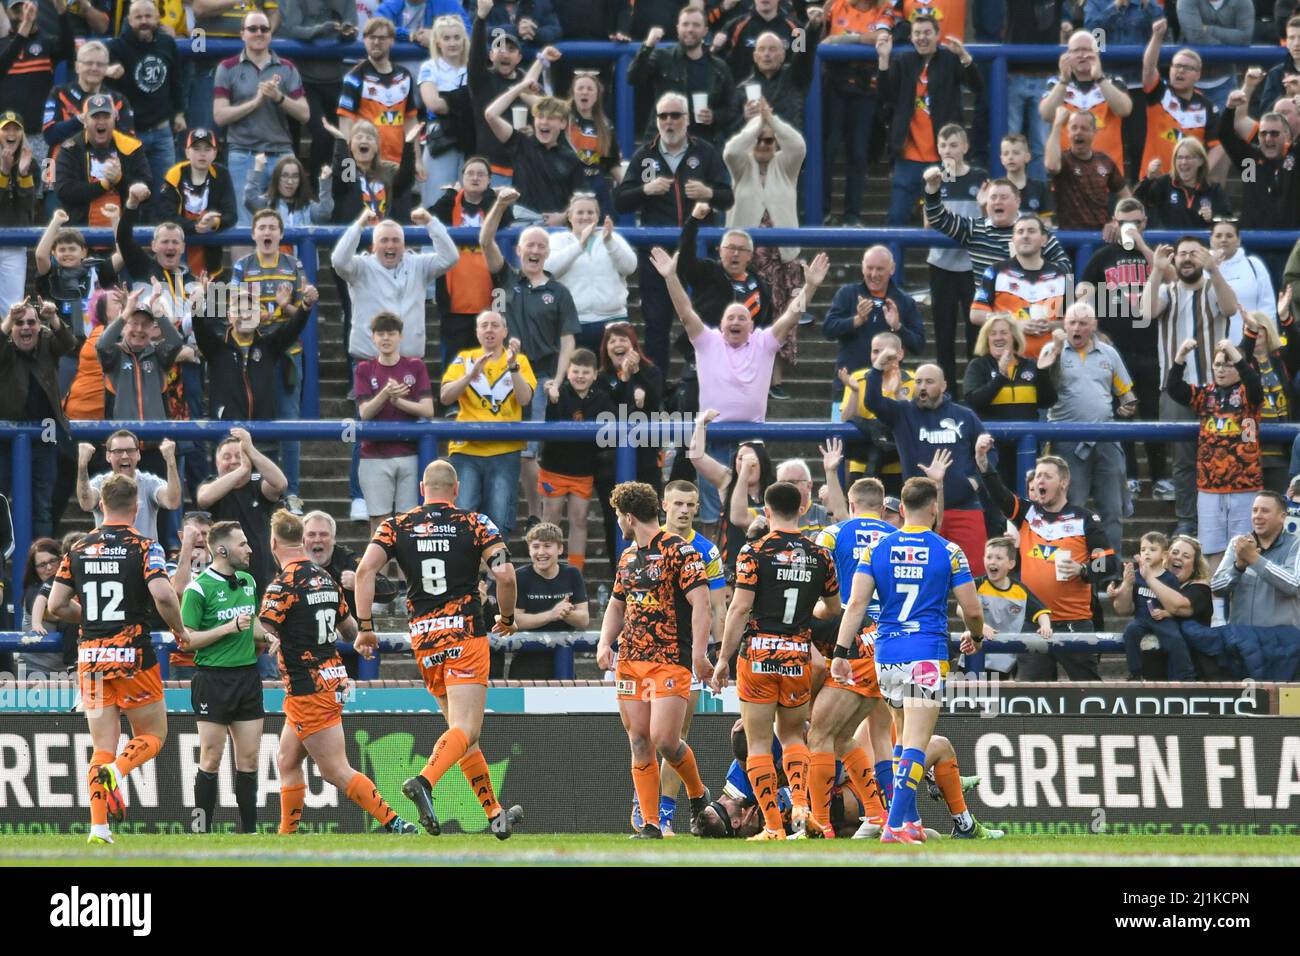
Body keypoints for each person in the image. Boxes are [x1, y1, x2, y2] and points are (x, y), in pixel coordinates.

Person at [354, 459, 524, 838]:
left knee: (462, 735)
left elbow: (365, 571)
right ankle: (424, 782)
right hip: (464, 634)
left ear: (421, 488)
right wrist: (508, 618)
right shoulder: (475, 523)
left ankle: (494, 814)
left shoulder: (395, 526)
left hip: (425, 638)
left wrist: (366, 628)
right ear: (457, 489)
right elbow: (505, 573)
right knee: (465, 727)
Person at [830, 476, 984, 843]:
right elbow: (973, 610)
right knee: (916, 740)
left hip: (885, 656)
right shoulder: (948, 551)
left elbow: (856, 604)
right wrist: (975, 635)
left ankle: (909, 821)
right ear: (934, 509)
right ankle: (896, 824)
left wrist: (840, 651)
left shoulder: (877, 550)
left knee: (902, 739)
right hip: (925, 655)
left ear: (900, 509)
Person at [47, 472, 188, 846]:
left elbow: (56, 605)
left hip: (90, 660)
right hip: (132, 657)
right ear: (138, 505)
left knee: (102, 745)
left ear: (101, 505)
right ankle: (118, 771)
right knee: (154, 734)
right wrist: (179, 629)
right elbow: (162, 594)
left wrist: (91, 618)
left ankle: (98, 828)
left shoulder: (77, 548)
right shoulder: (145, 546)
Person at [260, 509, 418, 836]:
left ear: (273, 542)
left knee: (335, 770)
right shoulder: (325, 579)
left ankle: (395, 822)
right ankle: (286, 837)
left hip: (309, 687)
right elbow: (349, 632)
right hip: (329, 679)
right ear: (301, 540)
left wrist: (254, 632)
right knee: (287, 761)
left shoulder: (282, 585)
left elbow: (262, 634)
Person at [710, 481, 839, 840]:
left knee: (759, 744)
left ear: (766, 512)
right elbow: (832, 608)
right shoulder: (820, 555)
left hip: (759, 656)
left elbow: (738, 608)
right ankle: (801, 804)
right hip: (797, 655)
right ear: (802, 508)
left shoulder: (754, 551)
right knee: (795, 735)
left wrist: (722, 659)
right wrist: (807, 611)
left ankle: (773, 827)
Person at [597, 480, 714, 839]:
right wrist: (605, 642)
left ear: (628, 517)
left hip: (669, 657)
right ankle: (650, 823)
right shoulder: (628, 557)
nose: (618, 522)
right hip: (631, 659)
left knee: (664, 738)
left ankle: (697, 793)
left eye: (618, 516)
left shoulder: (680, 551)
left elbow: (702, 603)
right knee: (638, 741)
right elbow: (618, 604)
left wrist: (698, 653)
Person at [975, 437, 1120, 680]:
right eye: (1038, 475)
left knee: (1088, 693)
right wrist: (982, 461)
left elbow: (1108, 563)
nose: (1039, 480)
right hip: (1032, 621)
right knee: (1032, 696)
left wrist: (1083, 569)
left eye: (1047, 476)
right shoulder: (1027, 513)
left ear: (1064, 483)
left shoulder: (1085, 518)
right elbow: (998, 493)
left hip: (1074, 622)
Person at [613, 90, 734, 374]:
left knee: (707, 321)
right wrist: (645, 189)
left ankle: (706, 382)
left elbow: (727, 197)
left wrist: (709, 193)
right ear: (657, 121)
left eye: (675, 116)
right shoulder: (646, 156)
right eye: (663, 116)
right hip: (658, 253)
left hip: (699, 252)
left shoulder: (705, 152)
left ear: (687, 120)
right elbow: (621, 200)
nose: (669, 122)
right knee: (656, 324)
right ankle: (658, 390)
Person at [480, 188, 579, 521]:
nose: (535, 250)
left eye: (541, 246)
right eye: (530, 245)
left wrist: (558, 381)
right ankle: (502, 512)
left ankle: (535, 514)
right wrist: (500, 204)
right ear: (519, 250)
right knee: (502, 448)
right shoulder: (507, 278)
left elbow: (568, 342)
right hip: (500, 374)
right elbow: (485, 240)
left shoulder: (560, 292)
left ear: (548, 252)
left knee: (527, 451)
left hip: (540, 375)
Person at [808, 476, 895, 838]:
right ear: (885, 506)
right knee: (844, 737)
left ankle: (819, 824)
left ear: (851, 503)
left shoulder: (831, 534)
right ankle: (877, 814)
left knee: (819, 735)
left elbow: (815, 583)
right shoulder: (898, 538)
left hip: (853, 642)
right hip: (889, 644)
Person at [864, 339, 993, 576]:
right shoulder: (902, 413)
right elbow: (872, 401)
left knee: (976, 578)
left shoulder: (964, 415)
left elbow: (987, 451)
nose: (922, 387)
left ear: (943, 386)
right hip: (920, 510)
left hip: (964, 508)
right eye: (919, 381)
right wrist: (878, 367)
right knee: (921, 576)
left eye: (929, 382)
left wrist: (975, 480)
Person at [1143, 236, 1242, 536]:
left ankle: (1222, 519)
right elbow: (1145, 313)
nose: (1187, 259)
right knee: (1184, 459)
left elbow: (1230, 308)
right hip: (1176, 387)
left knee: (1222, 453)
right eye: (1182, 254)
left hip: (1216, 386)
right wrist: (1157, 270)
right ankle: (1187, 518)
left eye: (1194, 254)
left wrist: (1215, 270)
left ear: (1204, 258)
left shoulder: (1214, 287)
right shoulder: (1166, 290)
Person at [180, 521, 265, 833]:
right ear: (222, 549)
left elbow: (251, 622)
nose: (249, 549)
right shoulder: (198, 588)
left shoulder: (247, 581)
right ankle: (200, 828)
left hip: (246, 678)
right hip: (212, 679)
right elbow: (187, 638)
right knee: (211, 756)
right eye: (242, 544)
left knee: (250, 759)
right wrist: (230, 628)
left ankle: (249, 831)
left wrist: (269, 639)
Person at [1077, 198, 1163, 500]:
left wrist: (1140, 244)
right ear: (1113, 222)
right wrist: (1097, 331)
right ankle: (1131, 477)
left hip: (1153, 348)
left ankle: (1161, 477)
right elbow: (1082, 295)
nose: (1130, 228)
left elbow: (1168, 274)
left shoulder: (1155, 253)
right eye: (1124, 223)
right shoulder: (1102, 257)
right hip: (1116, 351)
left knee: (1153, 414)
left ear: (1145, 222)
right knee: (1123, 413)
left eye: (1136, 223)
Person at [723, 100, 806, 397]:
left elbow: (797, 145)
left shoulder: (786, 164)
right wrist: (757, 124)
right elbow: (732, 149)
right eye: (759, 140)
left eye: (769, 140)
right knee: (744, 315)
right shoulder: (741, 165)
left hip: (781, 257)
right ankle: (741, 377)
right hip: (745, 258)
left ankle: (776, 381)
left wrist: (773, 120)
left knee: (780, 317)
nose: (763, 144)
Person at [1167, 331, 1263, 577]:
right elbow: (1174, 389)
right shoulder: (1205, 394)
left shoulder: (1247, 394)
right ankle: (1217, 614)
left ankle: (1240, 607)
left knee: (1243, 549)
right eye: (1217, 364)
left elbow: (1254, 384)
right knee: (1211, 551)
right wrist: (1180, 357)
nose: (1221, 369)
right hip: (1209, 487)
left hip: (1244, 486)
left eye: (1228, 364)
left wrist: (1234, 352)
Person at [1049, 303, 1139, 553]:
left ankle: (1109, 570)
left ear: (1094, 326)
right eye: (1072, 323)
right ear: (1064, 325)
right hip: (1067, 440)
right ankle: (1069, 566)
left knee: (1111, 509)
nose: (1076, 328)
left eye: (1083, 323)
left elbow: (1126, 394)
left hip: (1106, 437)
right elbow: (1042, 390)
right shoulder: (1053, 350)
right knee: (1070, 508)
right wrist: (1054, 352)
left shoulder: (1109, 354)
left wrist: (1128, 407)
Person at [440, 310, 535, 538]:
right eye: (484, 325)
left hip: (505, 450)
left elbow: (525, 399)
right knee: (461, 518)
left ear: (504, 331)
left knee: (499, 520)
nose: (489, 329)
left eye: (495, 325)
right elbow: (445, 397)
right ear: (477, 332)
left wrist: (512, 367)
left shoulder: (519, 360)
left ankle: (494, 573)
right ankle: (466, 572)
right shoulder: (464, 359)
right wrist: (469, 376)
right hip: (466, 450)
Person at [877, 13, 980, 225]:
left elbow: (977, 86)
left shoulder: (950, 60)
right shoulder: (904, 61)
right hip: (908, 157)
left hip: (948, 160)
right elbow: (885, 95)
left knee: (950, 216)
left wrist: (964, 56)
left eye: (927, 33)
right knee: (896, 217)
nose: (922, 38)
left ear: (937, 35)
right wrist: (884, 59)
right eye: (917, 33)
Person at [213, 11, 309, 228]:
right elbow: (219, 116)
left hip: (282, 154)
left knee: (288, 223)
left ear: (270, 34)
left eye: (264, 29)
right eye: (253, 29)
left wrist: (279, 97)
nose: (259, 33)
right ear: (242, 34)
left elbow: (304, 114)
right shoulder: (226, 67)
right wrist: (256, 102)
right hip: (242, 154)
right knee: (243, 225)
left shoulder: (287, 67)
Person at [332, 206, 459, 361]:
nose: (390, 245)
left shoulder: (418, 265)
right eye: (384, 240)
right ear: (373, 246)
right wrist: (359, 225)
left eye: (396, 240)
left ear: (404, 246)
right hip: (369, 362)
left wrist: (430, 222)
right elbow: (338, 260)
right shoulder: (361, 267)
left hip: (410, 364)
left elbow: (451, 257)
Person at [0, 298, 74, 538]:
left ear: (38, 327)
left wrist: (52, 317)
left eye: (31, 322)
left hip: (45, 434)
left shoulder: (46, 345)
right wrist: (8, 318)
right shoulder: (6, 348)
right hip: (4, 437)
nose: (25, 328)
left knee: (42, 505)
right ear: (11, 328)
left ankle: (41, 563)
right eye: (19, 323)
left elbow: (68, 342)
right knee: (1, 501)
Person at [483, 49, 585, 225]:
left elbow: (582, 198)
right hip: (520, 225)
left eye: (551, 118)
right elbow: (491, 114)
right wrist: (520, 87)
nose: (544, 122)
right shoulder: (521, 143)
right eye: (540, 117)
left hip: (556, 230)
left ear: (562, 124)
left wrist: (562, 218)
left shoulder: (571, 158)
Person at [818, 0, 897, 226]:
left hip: (865, 88)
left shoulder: (885, 9)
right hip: (833, 86)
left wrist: (842, 39)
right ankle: (823, 211)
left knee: (858, 153)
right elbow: (808, 41)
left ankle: (852, 215)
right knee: (828, 149)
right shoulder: (836, 5)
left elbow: (881, 39)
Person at [355, 310, 433, 535]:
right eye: (381, 334)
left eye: (391, 333)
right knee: (379, 524)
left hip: (408, 452)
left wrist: (398, 401)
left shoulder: (415, 366)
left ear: (400, 336)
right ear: (373, 338)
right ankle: (377, 572)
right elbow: (365, 413)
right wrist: (385, 393)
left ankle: (404, 572)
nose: (386, 338)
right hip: (374, 455)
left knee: (408, 523)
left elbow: (428, 410)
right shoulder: (364, 369)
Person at [961, 314, 1060, 488]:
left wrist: (1043, 372)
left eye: (1003, 333)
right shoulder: (979, 366)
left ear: (1013, 336)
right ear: (986, 338)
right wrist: (1000, 377)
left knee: (1026, 500)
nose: (998, 337)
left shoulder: (1030, 365)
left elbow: (1047, 401)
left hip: (1026, 448)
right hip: (992, 449)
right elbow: (973, 400)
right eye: (993, 333)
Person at [921, 123, 986, 389]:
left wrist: (983, 206)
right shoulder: (936, 178)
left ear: (966, 147)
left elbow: (990, 220)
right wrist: (932, 190)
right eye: (943, 145)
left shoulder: (980, 177)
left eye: (954, 145)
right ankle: (946, 392)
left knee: (976, 333)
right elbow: (928, 223)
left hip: (973, 265)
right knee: (944, 332)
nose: (948, 150)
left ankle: (974, 389)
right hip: (942, 264)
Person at [431, 155, 506, 372]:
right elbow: (433, 217)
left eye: (481, 174)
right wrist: (451, 194)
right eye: (470, 173)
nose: (475, 178)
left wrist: (496, 199)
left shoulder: (496, 204)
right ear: (461, 177)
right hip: (454, 302)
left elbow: (506, 219)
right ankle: (451, 406)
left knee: (489, 363)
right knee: (453, 364)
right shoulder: (449, 204)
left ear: (490, 180)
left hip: (490, 301)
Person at [538, 347, 611, 572]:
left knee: (579, 520)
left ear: (594, 374)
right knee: (551, 518)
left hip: (583, 470)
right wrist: (551, 399)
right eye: (576, 371)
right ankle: (544, 565)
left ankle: (575, 571)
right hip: (554, 467)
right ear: (568, 372)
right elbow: (548, 424)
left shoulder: (601, 398)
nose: (580, 376)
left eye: (585, 372)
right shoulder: (558, 393)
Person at [628, 5, 736, 148]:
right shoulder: (662, 57)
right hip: (662, 141)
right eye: (685, 24)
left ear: (705, 31)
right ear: (678, 28)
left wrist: (714, 117)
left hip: (702, 144)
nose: (690, 29)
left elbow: (732, 109)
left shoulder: (719, 67)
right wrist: (648, 46)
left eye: (696, 25)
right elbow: (633, 78)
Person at [970, 212, 1073, 360]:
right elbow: (976, 314)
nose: (1025, 236)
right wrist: (1014, 324)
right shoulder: (994, 272)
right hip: (1006, 361)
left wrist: (1050, 326)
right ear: (1013, 239)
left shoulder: (1063, 276)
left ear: (1044, 239)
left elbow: (1071, 321)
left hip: (1050, 361)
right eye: (1020, 232)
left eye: (1031, 231)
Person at [824, 245, 924, 397]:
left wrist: (898, 327)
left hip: (887, 392)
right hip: (848, 388)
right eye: (869, 268)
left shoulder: (905, 302)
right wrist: (855, 321)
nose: (873, 274)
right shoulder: (847, 294)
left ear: (892, 269)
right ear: (862, 267)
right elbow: (827, 330)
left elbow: (919, 345)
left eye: (880, 269)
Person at [196, 429, 289, 592]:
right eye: (226, 457)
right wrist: (242, 469)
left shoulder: (258, 483)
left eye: (239, 456)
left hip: (262, 574)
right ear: (217, 463)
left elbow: (280, 484)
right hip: (225, 576)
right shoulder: (212, 484)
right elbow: (203, 499)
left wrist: (250, 449)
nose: (233, 461)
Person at [543, 194, 636, 352]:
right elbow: (548, 271)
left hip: (614, 321)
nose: (585, 217)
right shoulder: (558, 240)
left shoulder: (613, 238)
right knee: (578, 375)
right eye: (580, 213)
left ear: (597, 216)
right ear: (570, 216)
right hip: (573, 325)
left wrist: (610, 242)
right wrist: (579, 246)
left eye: (590, 212)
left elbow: (629, 267)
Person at [276, 0, 357, 181]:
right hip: (303, 79)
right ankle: (310, 189)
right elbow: (292, 30)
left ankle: (341, 187)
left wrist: (346, 33)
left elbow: (353, 28)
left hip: (336, 77)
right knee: (321, 134)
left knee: (343, 137)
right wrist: (321, 29)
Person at [1038, 28, 1133, 173]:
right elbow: (1046, 114)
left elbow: (1124, 110)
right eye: (1076, 51)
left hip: (1107, 177)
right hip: (1068, 177)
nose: (1082, 55)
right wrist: (1063, 81)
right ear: (1068, 55)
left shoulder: (1113, 81)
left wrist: (1100, 78)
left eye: (1087, 50)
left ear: (1097, 53)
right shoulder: (1056, 83)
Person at [1139, 19, 1227, 175]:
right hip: (1154, 181)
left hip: (1188, 186)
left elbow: (1218, 146)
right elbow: (1148, 69)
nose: (1180, 71)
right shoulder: (1159, 92)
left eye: (1187, 68)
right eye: (1176, 66)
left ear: (1198, 75)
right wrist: (1157, 37)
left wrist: (1202, 172)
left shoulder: (1207, 107)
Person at [54, 93, 150, 226]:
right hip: (81, 235)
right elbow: (63, 191)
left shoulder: (131, 147)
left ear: (115, 118)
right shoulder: (71, 149)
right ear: (85, 121)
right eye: (95, 116)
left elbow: (146, 188)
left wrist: (119, 180)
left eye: (106, 116)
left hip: (123, 234)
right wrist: (103, 185)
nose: (101, 122)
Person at [1209, 491, 1300, 630]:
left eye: (1265, 511)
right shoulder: (1238, 543)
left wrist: (1254, 559)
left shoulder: (1296, 544)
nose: (1258, 516)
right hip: (1241, 638)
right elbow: (1216, 588)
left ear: (1282, 517)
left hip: (1280, 643)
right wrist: (1238, 567)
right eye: (1254, 510)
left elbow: (1294, 585)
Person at [337, 16, 420, 168]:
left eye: (382, 38)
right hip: (367, 162)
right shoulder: (354, 77)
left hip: (399, 162)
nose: (376, 42)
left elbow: (411, 121)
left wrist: (417, 161)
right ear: (364, 40)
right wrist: (348, 165)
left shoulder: (404, 76)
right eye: (371, 37)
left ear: (392, 41)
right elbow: (345, 124)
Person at [508, 520, 588, 676]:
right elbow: (515, 620)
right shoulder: (520, 576)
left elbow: (584, 619)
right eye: (535, 547)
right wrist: (552, 615)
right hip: (525, 664)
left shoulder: (572, 574)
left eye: (547, 546)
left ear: (560, 549)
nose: (541, 552)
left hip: (563, 661)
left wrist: (566, 614)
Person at [838, 331, 916, 490]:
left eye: (885, 352)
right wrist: (854, 391)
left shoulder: (914, 380)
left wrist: (897, 394)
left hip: (899, 466)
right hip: (862, 466)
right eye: (875, 351)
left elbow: (913, 419)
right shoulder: (858, 377)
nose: (879, 357)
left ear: (900, 354)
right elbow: (846, 420)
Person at [158, 129, 237, 280]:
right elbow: (164, 215)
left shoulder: (222, 174)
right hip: (177, 263)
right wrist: (195, 226)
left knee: (216, 304)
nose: (202, 154)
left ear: (214, 153)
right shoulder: (175, 174)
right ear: (187, 152)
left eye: (207, 149)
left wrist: (214, 223)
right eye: (196, 149)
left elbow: (231, 215)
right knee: (179, 303)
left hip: (213, 267)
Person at [971, 535, 1053, 678]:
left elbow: (1041, 612)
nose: (992, 562)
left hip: (1003, 662)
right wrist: (980, 626)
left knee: (994, 699)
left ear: (1011, 564)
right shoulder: (977, 584)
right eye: (989, 557)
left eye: (998, 558)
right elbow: (962, 609)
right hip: (974, 656)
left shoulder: (1020, 590)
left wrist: (1045, 626)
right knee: (968, 698)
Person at [77, 431, 180, 542]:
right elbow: (86, 504)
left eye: (130, 450)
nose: (125, 456)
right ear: (108, 456)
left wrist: (170, 461)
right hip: (109, 555)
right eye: (118, 451)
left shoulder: (150, 482)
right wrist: (82, 465)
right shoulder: (100, 483)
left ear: (138, 454)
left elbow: (173, 502)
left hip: (143, 556)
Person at [467, 0, 527, 179]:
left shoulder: (527, 83)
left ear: (519, 57)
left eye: (511, 49)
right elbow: (475, 54)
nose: (505, 53)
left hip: (523, 170)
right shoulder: (482, 80)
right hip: (491, 171)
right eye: (499, 48)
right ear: (491, 55)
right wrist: (481, 18)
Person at [1044, 108, 1131, 230]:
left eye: (1084, 128)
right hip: (1070, 237)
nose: (1078, 132)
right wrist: (1057, 124)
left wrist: (1118, 222)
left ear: (1094, 132)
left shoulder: (1105, 161)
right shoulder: (1064, 160)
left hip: (1100, 236)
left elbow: (1126, 197)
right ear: (1068, 133)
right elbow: (1051, 165)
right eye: (1074, 128)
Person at [418, 13, 472, 206]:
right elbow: (434, 104)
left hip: (470, 138)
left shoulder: (473, 67)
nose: (452, 43)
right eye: (446, 38)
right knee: (437, 200)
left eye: (457, 37)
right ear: (438, 42)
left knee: (469, 201)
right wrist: (467, 99)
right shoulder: (429, 67)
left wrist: (452, 100)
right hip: (442, 139)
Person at [729, 20, 820, 130]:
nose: (767, 54)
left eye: (772, 49)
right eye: (762, 50)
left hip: (788, 144)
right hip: (756, 144)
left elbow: (804, 55)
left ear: (782, 56)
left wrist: (812, 29)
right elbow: (730, 132)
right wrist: (745, 119)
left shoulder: (795, 77)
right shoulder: (742, 90)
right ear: (755, 57)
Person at [1134, 136, 1232, 230]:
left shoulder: (1214, 189)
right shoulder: (1164, 183)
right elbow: (1137, 202)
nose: (1184, 162)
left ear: (1201, 161)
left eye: (1189, 157)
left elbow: (1228, 221)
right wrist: (1148, 178)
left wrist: (1213, 217)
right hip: (1169, 244)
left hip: (1201, 245)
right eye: (1180, 158)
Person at [330, 119, 418, 223]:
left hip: (382, 233)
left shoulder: (388, 170)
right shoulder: (348, 172)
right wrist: (340, 140)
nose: (364, 141)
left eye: (369, 138)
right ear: (350, 147)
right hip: (355, 233)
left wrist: (409, 144)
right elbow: (343, 179)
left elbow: (405, 179)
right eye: (359, 137)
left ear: (376, 147)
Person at [1176, 0, 1253, 115]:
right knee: (1184, 131)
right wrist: (1228, 48)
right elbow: (1196, 37)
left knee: (1224, 130)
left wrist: (1208, 29)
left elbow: (1245, 38)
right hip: (1188, 83)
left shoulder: (1243, 2)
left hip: (1226, 80)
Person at [566, 70, 622, 215]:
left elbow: (613, 163)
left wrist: (630, 186)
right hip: (567, 184)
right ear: (573, 93)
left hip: (595, 185)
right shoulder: (562, 119)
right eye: (580, 88)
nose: (585, 92)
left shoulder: (605, 125)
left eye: (590, 89)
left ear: (597, 96)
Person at [0, 109, 36, 311]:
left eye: (16, 129)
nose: (11, 134)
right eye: (6, 129)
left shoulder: (36, 163)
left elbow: (29, 208)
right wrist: (4, 172)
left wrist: (23, 173)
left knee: (12, 307)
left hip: (16, 243)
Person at [18, 537, 66, 676]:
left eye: (53, 561)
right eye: (42, 565)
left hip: (65, 672)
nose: (49, 568)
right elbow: (57, 613)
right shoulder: (34, 592)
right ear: (35, 569)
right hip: (36, 672)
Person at [1209, 218, 1275, 318]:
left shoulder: (1254, 265)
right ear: (1211, 240)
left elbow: (1268, 306)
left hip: (1250, 332)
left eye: (1229, 236)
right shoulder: (1200, 268)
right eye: (1218, 236)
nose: (1223, 240)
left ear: (1238, 240)